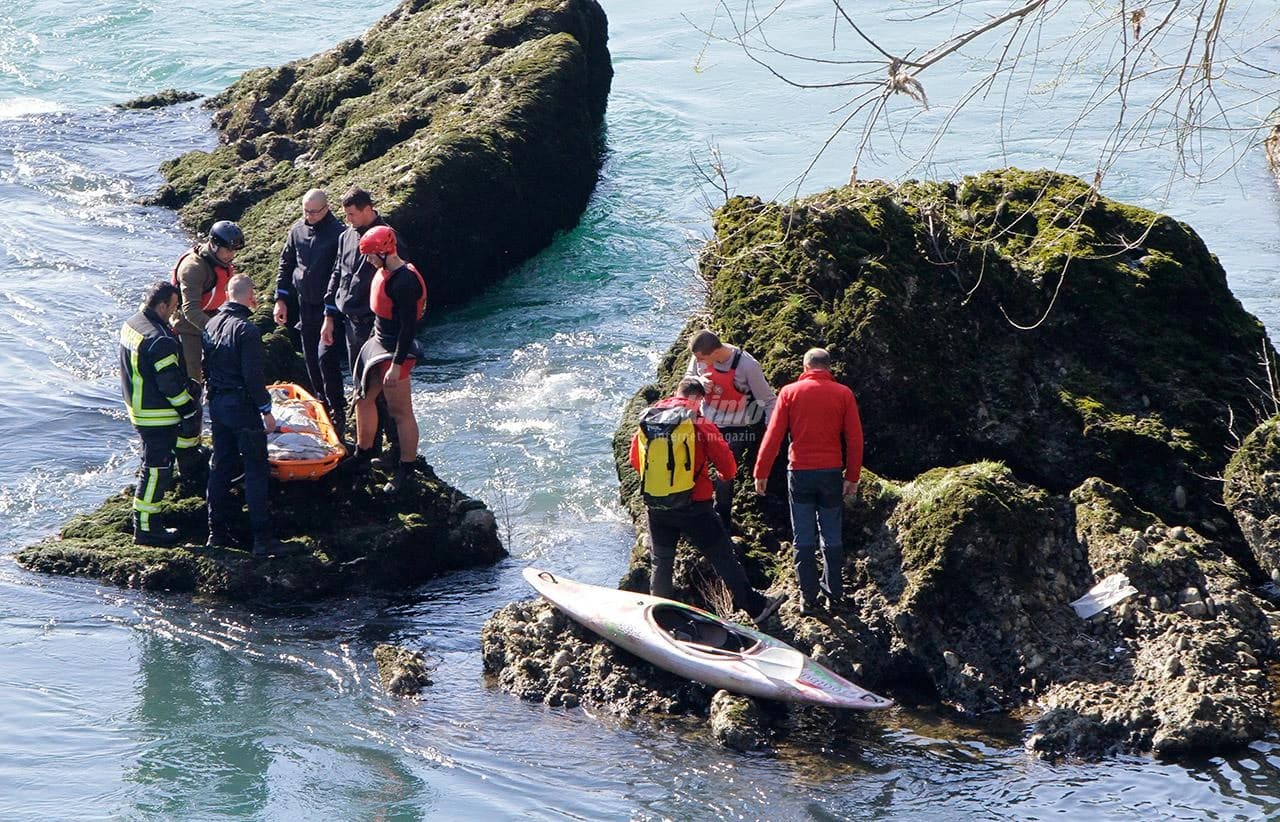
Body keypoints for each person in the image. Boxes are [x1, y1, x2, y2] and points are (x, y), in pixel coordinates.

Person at [629, 377, 783, 625]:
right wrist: (720, 477)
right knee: (722, 555)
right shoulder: (698, 422)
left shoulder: (649, 420)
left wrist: (664, 483)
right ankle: (755, 607)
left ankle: (659, 617)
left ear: (676, 392)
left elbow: (635, 461)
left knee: (662, 560)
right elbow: (727, 463)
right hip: (695, 504)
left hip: (656, 504)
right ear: (698, 399)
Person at [753, 348, 863, 614]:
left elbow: (774, 436)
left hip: (799, 473)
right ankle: (834, 594)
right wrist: (852, 477)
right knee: (831, 534)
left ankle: (808, 598)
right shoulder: (844, 394)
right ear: (829, 368)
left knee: (803, 537)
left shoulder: (789, 393)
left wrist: (761, 471)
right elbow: (855, 439)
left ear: (805, 367)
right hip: (830, 473)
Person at [202, 274, 303, 559]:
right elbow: (252, 375)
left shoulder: (210, 324)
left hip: (218, 404)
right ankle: (262, 540)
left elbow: (204, 366)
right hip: (242, 406)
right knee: (256, 469)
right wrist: (266, 411)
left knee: (220, 466)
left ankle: (216, 533)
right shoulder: (246, 330)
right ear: (250, 297)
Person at [319, 186, 410, 458]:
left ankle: (394, 447)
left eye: (352, 214)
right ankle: (369, 445)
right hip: (350, 322)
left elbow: (399, 279)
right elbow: (337, 272)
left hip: (376, 324)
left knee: (381, 390)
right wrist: (329, 316)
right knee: (362, 388)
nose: (348, 220)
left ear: (368, 209)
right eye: (345, 215)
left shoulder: (388, 239)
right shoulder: (346, 236)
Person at [119, 282, 200, 546]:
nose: (175, 314)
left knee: (152, 466)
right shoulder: (159, 339)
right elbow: (170, 386)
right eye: (173, 308)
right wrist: (189, 408)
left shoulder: (132, 324)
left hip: (139, 408)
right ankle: (146, 529)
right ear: (161, 305)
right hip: (157, 415)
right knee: (156, 471)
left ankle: (147, 523)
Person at [347, 226, 425, 495]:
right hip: (378, 341)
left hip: (395, 350)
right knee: (363, 399)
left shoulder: (405, 282)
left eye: (370, 255)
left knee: (401, 412)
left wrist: (395, 365)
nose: (368, 260)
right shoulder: (384, 271)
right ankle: (363, 453)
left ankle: (407, 469)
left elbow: (408, 328)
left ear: (384, 251)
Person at [685, 329, 777, 531]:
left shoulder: (747, 365)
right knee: (692, 464)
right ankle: (693, 512)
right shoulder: (699, 359)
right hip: (705, 420)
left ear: (714, 353)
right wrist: (699, 382)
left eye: (701, 359)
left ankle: (722, 517)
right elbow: (687, 379)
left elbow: (769, 400)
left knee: (725, 472)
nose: (699, 363)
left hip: (735, 426)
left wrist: (772, 431)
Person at [171, 219, 244, 469]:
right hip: (188, 329)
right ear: (213, 245)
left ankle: (209, 432)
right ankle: (188, 447)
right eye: (228, 250)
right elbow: (190, 310)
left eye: (234, 251)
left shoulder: (223, 262)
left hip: (210, 321)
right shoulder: (193, 269)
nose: (231, 255)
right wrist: (217, 331)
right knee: (193, 385)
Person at [272, 189, 346, 435]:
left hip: (331, 310)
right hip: (304, 307)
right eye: (306, 211)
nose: (310, 216)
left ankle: (338, 410)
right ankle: (321, 404)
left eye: (314, 211)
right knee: (311, 361)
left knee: (327, 360)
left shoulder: (339, 234)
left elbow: (342, 275)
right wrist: (280, 299)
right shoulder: (297, 231)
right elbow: (286, 264)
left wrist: (332, 313)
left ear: (326, 209)